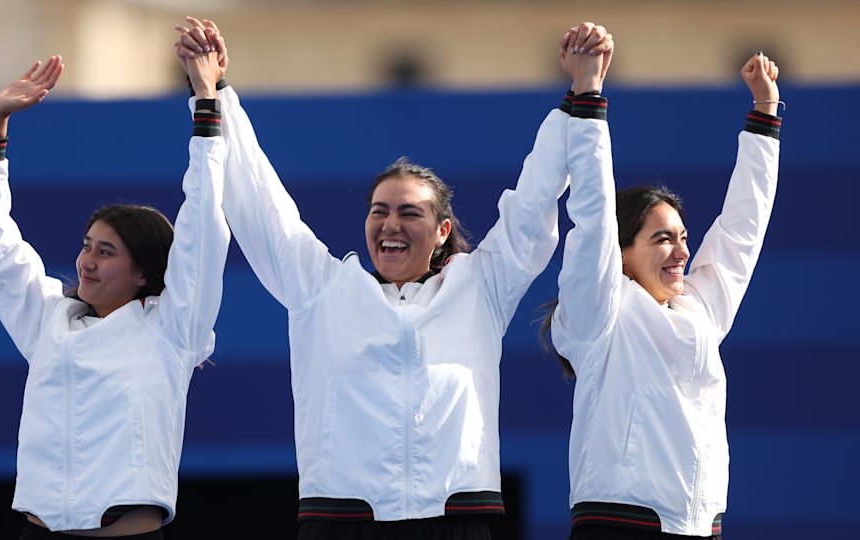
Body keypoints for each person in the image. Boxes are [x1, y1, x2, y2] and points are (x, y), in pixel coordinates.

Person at [175, 17, 613, 539]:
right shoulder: (322, 288)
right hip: (343, 519)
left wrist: (584, 94)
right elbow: (256, 198)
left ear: (442, 229)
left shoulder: (481, 287)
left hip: (458, 518)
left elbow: (536, 195)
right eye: (379, 211)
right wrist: (213, 93)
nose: (390, 224)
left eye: (409, 213)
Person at [0, 42, 230, 538]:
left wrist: (206, 101)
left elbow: (204, 229)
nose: (86, 261)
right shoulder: (48, 319)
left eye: (106, 252)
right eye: (87, 246)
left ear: (145, 274)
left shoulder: (171, 331)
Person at [539, 44, 781, 539]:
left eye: (683, 238)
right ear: (620, 252)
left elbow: (741, 232)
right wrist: (588, 96)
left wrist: (765, 115)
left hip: (700, 526)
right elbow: (592, 208)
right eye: (662, 238)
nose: (680, 251)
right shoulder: (598, 314)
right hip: (621, 522)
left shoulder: (700, 310)